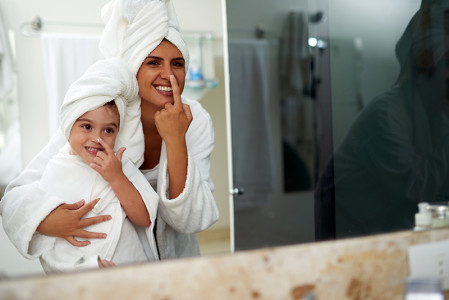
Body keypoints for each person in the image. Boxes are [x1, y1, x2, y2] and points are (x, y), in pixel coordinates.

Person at [0, 0, 218, 263]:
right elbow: (16, 195)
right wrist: (46, 220)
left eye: (177, 64)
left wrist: (175, 140)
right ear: (135, 64)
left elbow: (191, 218)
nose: (167, 75)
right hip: (108, 264)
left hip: (177, 260)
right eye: (153, 62)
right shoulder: (102, 117)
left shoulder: (196, 120)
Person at [316, 0, 449, 238]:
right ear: (426, 67)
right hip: (351, 240)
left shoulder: (437, 115)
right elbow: (416, 188)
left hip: (392, 230)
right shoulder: (387, 113)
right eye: (448, 64)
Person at [37, 58, 159, 273]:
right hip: (84, 274)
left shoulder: (118, 165)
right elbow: (51, 242)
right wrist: (86, 266)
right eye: (86, 126)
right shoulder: (56, 171)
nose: (97, 138)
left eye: (108, 130)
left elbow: (144, 218)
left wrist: (116, 177)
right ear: (68, 125)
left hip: (129, 266)